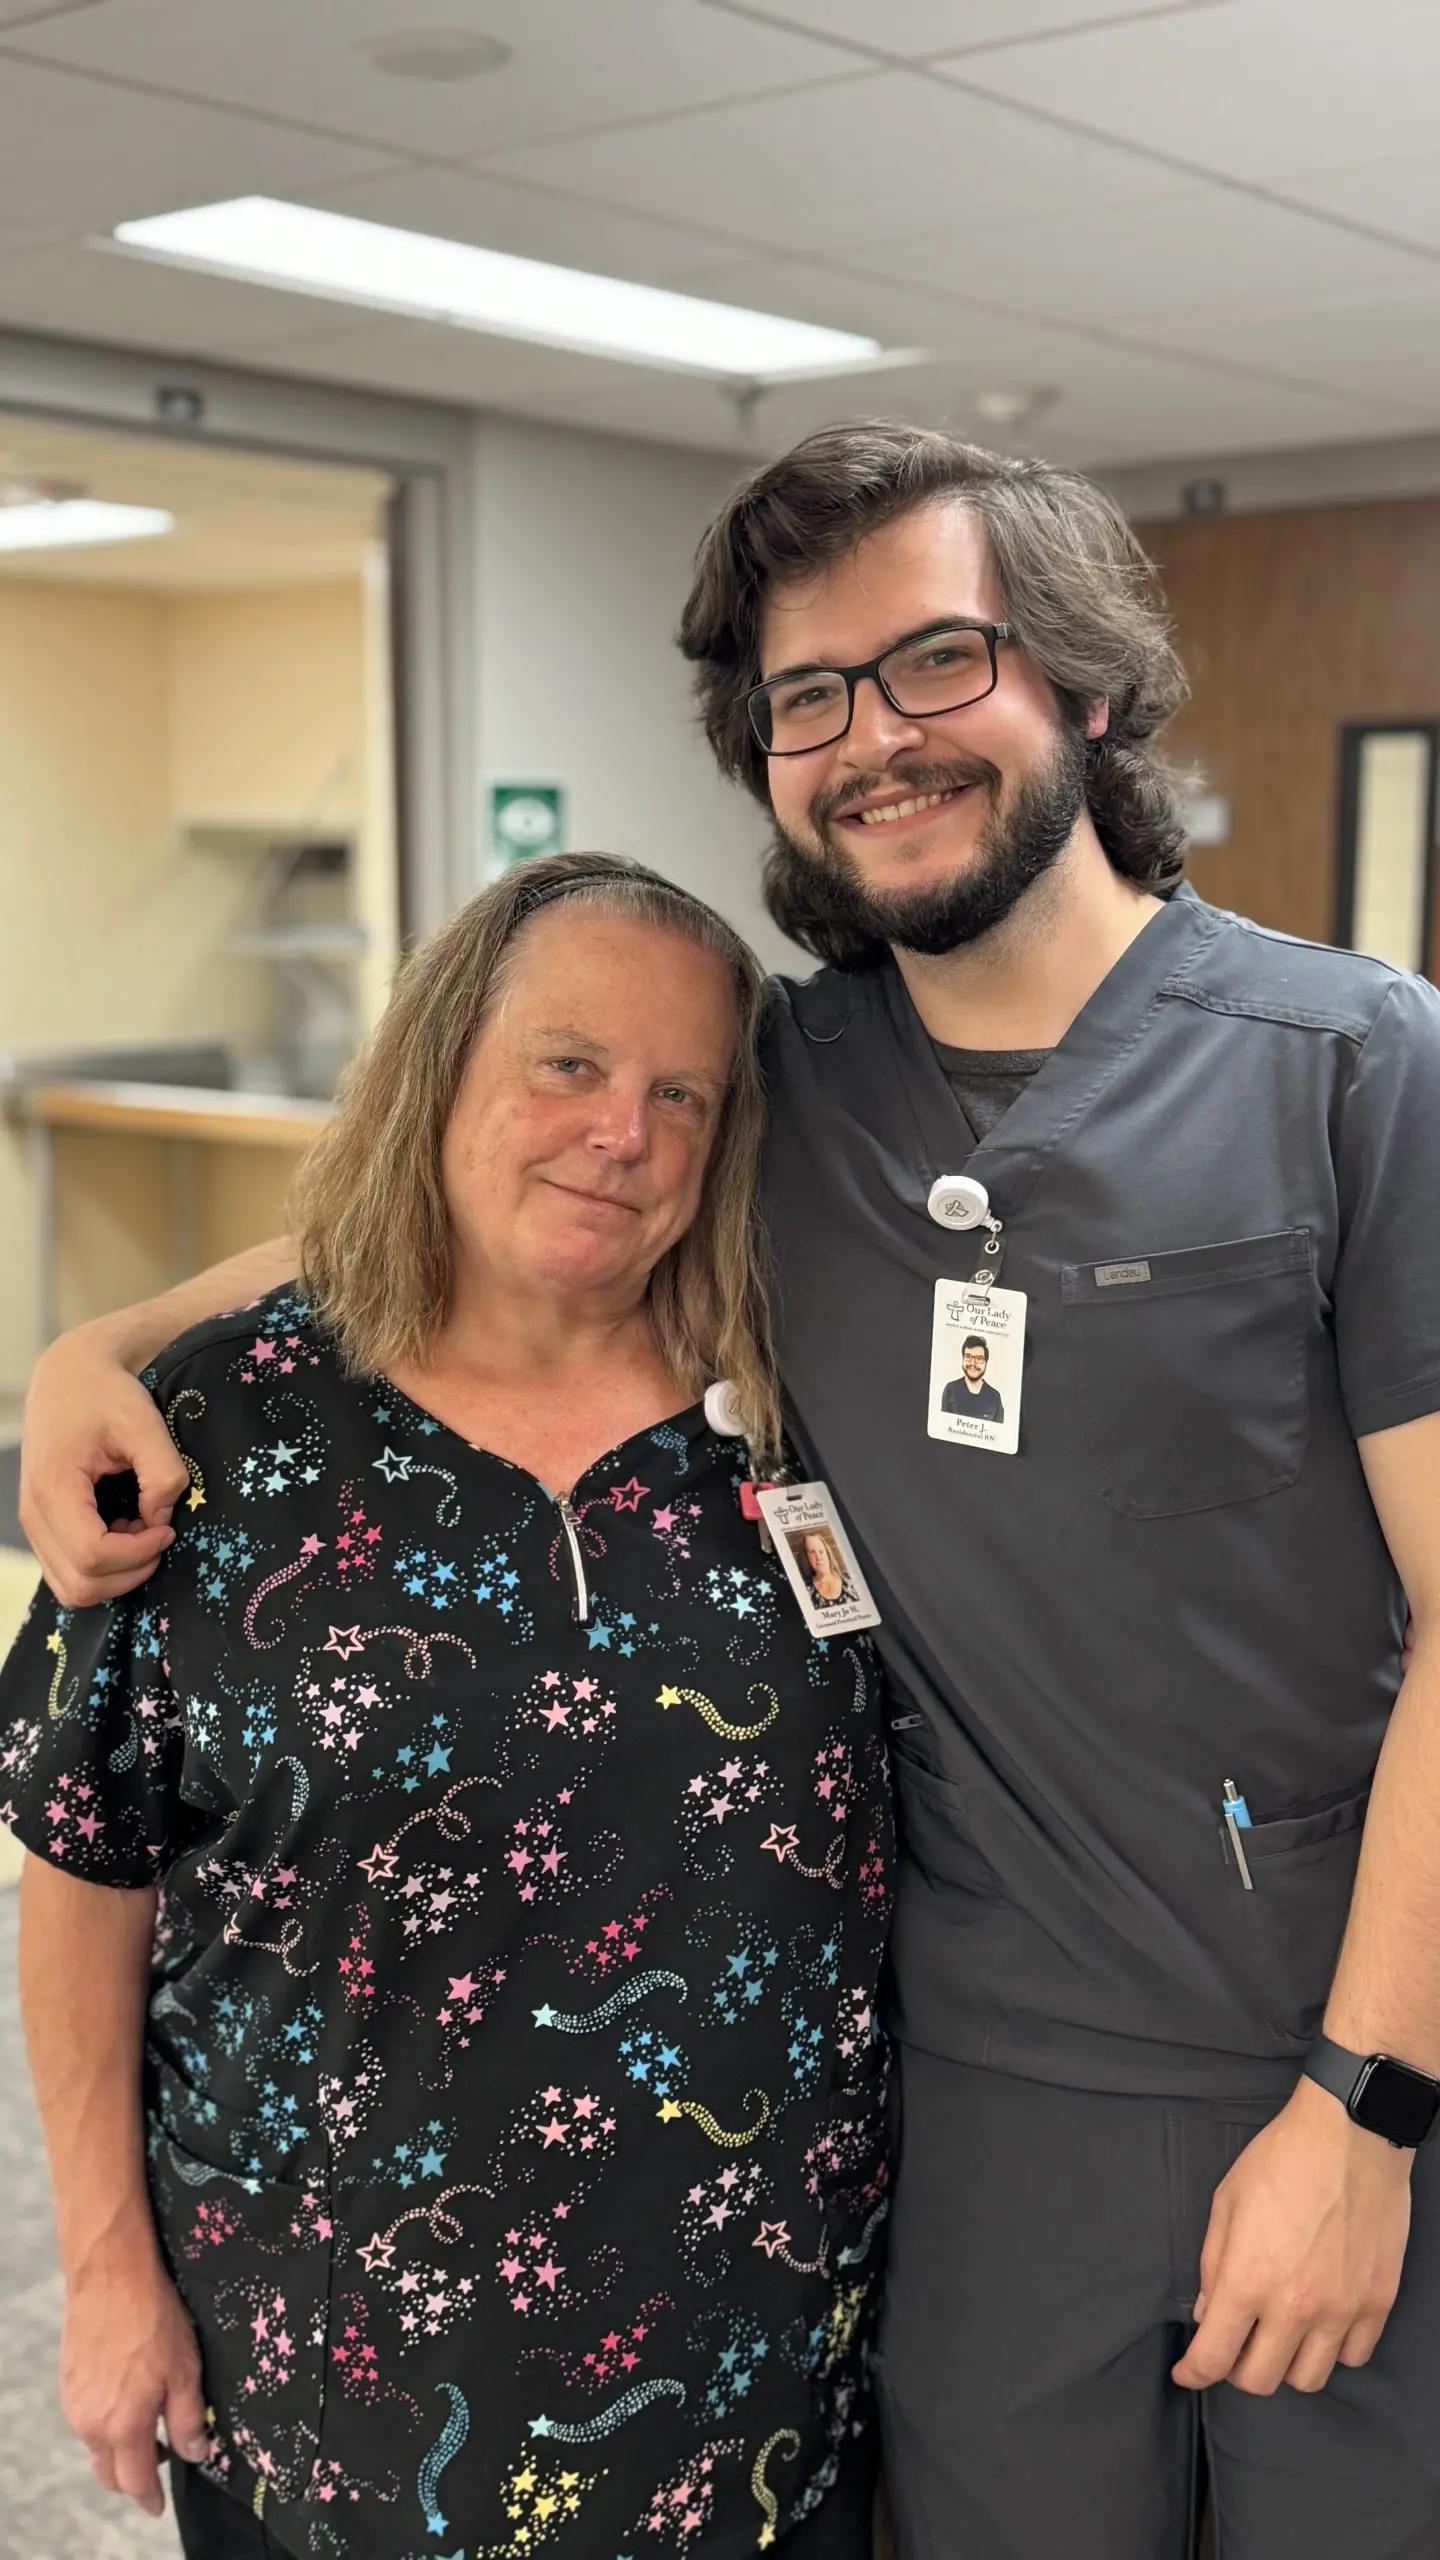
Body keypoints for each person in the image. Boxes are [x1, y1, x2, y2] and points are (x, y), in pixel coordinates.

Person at [21, 423, 1440, 2560]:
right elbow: (454, 1178)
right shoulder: (790, 1077)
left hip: (1325, 2045)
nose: (874, 737)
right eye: (809, 697)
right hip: (965, 2096)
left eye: (937, 660)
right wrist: (97, 1346)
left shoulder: (1358, 1071)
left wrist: (1370, 2101)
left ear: (1085, 681)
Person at [1, 855, 891, 2560]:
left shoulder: (793, 1411)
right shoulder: (211, 1431)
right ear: (444, 1069)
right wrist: (107, 2266)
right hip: (328, 2376)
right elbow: (84, 1853)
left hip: (755, 2383)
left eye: (678, 1093)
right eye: (567, 1066)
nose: (620, 1132)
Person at [939, 1337, 1003, 1424]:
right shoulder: (951, 1389)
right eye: (968, 1357)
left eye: (979, 1358)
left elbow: (997, 1433)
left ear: (986, 1362)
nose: (973, 1363)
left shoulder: (994, 1397)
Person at [796, 1532, 856, 1612]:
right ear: (806, 1558)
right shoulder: (805, 1590)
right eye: (812, 1552)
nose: (818, 1557)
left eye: (821, 1551)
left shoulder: (850, 1579)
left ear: (827, 1554)